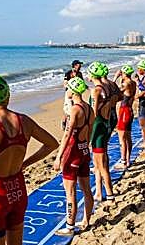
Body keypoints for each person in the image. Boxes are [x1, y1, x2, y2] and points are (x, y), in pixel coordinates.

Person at [0, 75, 58, 245]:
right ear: (8, 95)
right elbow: (51, 144)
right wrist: (24, 164)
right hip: (18, 193)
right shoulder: (24, 121)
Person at [53, 77, 94, 236]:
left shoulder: (75, 110)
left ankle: (69, 227)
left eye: (68, 89)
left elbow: (66, 135)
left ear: (73, 90)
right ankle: (86, 220)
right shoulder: (89, 108)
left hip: (73, 153)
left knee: (70, 192)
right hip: (84, 151)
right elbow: (89, 132)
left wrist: (58, 157)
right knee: (86, 189)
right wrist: (86, 146)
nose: (67, 91)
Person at [87, 61, 115, 202]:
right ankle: (98, 191)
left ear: (93, 74)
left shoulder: (96, 90)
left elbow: (93, 113)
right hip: (105, 123)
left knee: (101, 164)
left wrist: (86, 127)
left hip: (98, 128)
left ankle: (109, 193)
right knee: (98, 163)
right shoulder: (106, 86)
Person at [114, 65, 136, 169]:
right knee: (128, 137)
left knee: (122, 138)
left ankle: (123, 161)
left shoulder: (126, 84)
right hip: (129, 110)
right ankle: (127, 159)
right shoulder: (133, 83)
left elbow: (116, 92)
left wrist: (115, 78)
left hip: (124, 111)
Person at [62, 60, 84, 130]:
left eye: (80, 65)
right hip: (69, 94)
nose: (80, 66)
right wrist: (72, 86)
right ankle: (64, 121)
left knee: (76, 108)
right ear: (74, 66)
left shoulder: (80, 74)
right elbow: (65, 84)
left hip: (77, 94)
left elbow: (82, 83)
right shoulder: (68, 73)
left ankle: (74, 122)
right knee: (68, 109)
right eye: (79, 65)